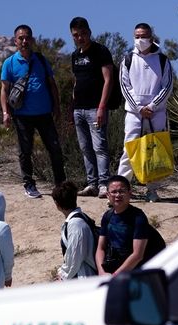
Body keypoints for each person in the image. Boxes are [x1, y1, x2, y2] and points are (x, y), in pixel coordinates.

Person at [0, 24, 67, 199]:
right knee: (25, 151)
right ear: (15, 41)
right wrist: (5, 113)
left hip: (44, 114)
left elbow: (52, 85)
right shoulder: (10, 63)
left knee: (55, 149)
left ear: (32, 40)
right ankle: (29, 184)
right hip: (22, 115)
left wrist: (57, 107)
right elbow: (4, 90)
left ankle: (60, 184)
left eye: (27, 37)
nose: (24, 41)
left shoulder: (41, 60)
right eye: (21, 38)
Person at [117, 22, 174, 202]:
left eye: (143, 36)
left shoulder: (163, 60)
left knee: (154, 151)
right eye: (137, 36)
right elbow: (124, 86)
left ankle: (152, 190)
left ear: (151, 37)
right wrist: (139, 108)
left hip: (156, 113)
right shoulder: (127, 60)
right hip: (134, 113)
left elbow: (167, 86)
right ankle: (120, 190)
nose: (140, 40)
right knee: (129, 150)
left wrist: (153, 106)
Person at [69, 17, 114, 199]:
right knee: (85, 147)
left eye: (83, 34)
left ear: (89, 32)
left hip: (96, 108)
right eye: (76, 35)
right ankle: (92, 183)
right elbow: (75, 81)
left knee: (99, 147)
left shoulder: (100, 51)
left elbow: (108, 80)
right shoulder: (75, 55)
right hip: (78, 109)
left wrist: (102, 106)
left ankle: (104, 184)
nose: (80, 38)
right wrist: (73, 105)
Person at [96, 175, 152, 275]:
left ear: (129, 193)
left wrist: (115, 277)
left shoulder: (138, 217)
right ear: (107, 195)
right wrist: (101, 271)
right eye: (113, 192)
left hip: (133, 274)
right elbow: (101, 248)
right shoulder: (107, 216)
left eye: (122, 191)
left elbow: (138, 255)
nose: (118, 195)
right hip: (112, 269)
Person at [52, 181, 98, 279]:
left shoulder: (75, 224)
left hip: (84, 276)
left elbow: (75, 257)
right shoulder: (82, 218)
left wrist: (63, 276)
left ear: (57, 204)